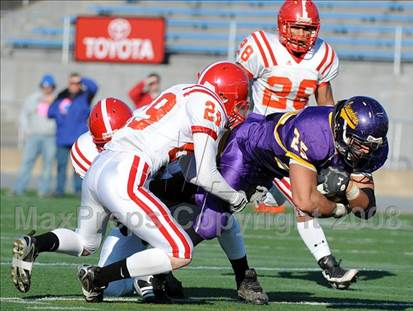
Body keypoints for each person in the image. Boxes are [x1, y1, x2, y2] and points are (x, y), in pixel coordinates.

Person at [10, 62, 265, 304]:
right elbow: (207, 174)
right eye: (240, 103)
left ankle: (36, 244)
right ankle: (98, 278)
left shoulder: (180, 92)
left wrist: (229, 191)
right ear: (227, 95)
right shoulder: (211, 105)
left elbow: (193, 174)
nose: (241, 110)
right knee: (180, 250)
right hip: (127, 174)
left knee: (85, 242)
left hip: (100, 169)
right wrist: (236, 197)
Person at [70, 98, 267, 304]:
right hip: (132, 216)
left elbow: (191, 174)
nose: (116, 143)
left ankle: (243, 276)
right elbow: (108, 203)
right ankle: (146, 275)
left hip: (171, 201)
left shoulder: (159, 127)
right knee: (113, 290)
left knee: (218, 214)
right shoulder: (88, 152)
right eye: (105, 143)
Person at [190, 96, 388, 289]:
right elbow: (305, 202)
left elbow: (366, 210)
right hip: (247, 149)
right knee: (211, 222)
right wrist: (338, 209)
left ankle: (244, 278)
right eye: (360, 144)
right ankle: (167, 258)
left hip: (280, 165)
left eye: (371, 146)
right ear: (342, 129)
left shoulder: (365, 148)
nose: (365, 152)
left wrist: (350, 188)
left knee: (221, 219)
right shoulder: (314, 132)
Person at [235, 0, 356, 288]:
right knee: (222, 201)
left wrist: (332, 140)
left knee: (304, 199)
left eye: (308, 29)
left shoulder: (323, 55)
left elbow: (324, 101)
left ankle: (328, 265)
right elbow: (238, 86)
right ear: (283, 26)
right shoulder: (261, 47)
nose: (302, 35)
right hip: (260, 134)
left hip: (297, 137)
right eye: (297, 28)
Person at [48, 73, 98, 196]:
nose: (74, 85)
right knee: (61, 166)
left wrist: (82, 79)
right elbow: (50, 111)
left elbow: (94, 87)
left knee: (79, 167)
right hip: (62, 137)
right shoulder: (62, 95)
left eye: (76, 83)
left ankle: (78, 191)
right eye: (71, 83)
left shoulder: (85, 96)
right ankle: (59, 190)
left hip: (78, 138)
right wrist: (60, 118)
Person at [13, 74, 57, 197]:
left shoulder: (56, 100)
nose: (47, 89)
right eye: (44, 86)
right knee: (27, 162)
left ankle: (43, 191)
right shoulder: (33, 98)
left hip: (50, 137)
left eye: (49, 86)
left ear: (53, 87)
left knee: (47, 165)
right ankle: (18, 189)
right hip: (34, 136)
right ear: (41, 86)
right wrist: (27, 130)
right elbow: (24, 115)